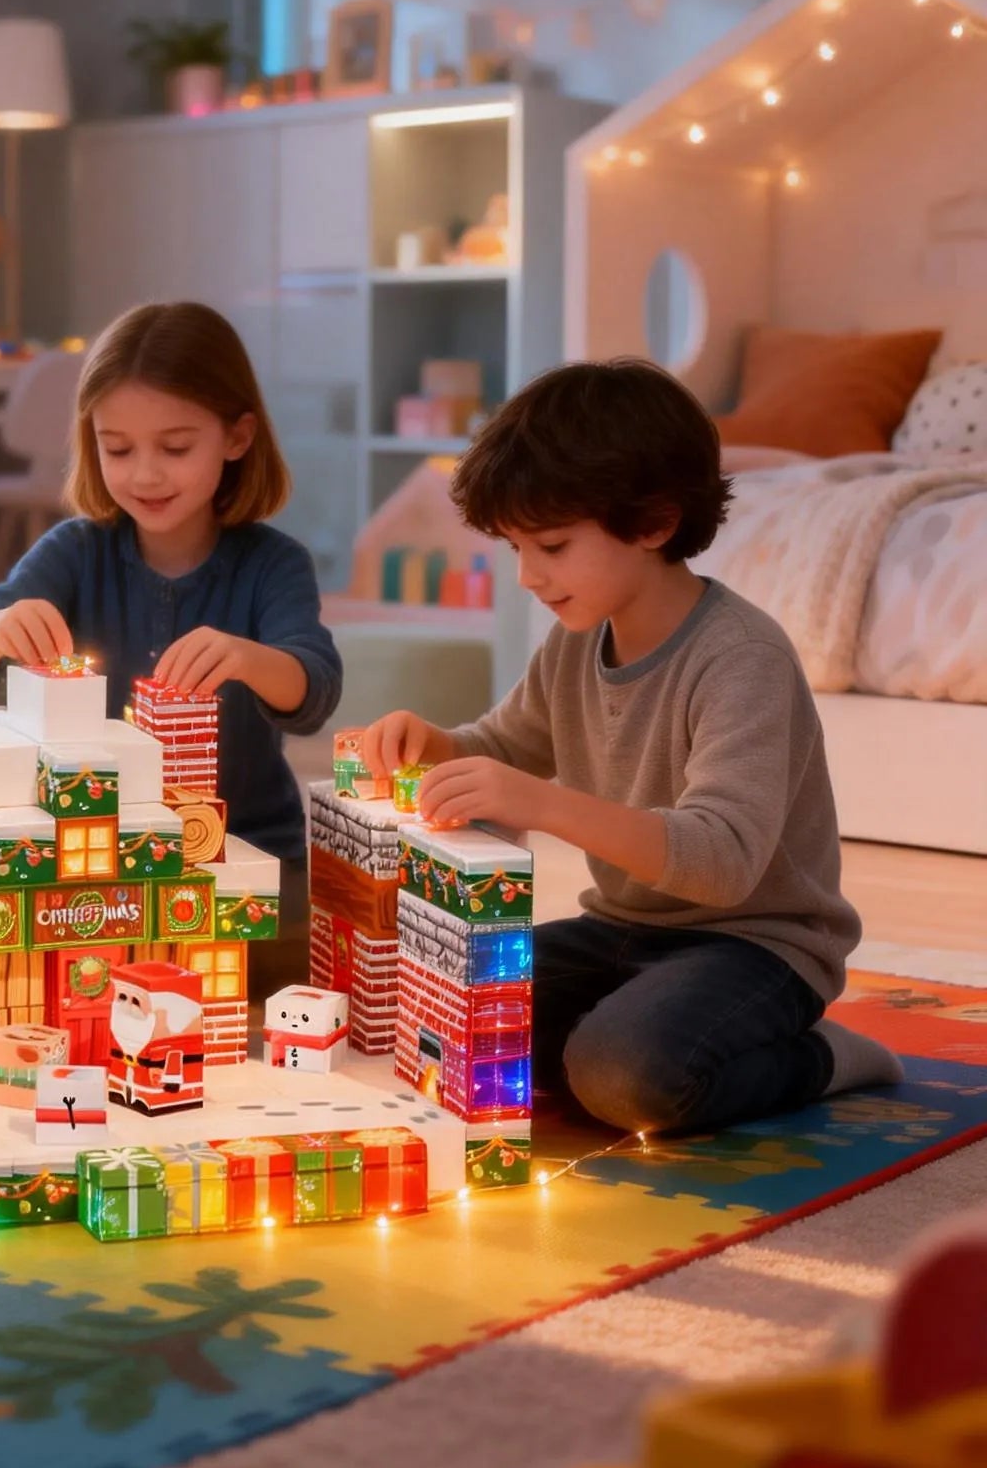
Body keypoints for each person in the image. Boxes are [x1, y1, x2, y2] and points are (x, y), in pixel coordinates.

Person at [357, 359, 899, 1136]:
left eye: (549, 545)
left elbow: (722, 859)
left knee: (626, 1075)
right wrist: (431, 745)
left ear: (653, 523)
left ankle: (820, 1057)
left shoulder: (742, 656)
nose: (527, 576)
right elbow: (504, 745)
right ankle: (627, 1039)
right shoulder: (576, 641)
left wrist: (540, 804)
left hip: (755, 946)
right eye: (514, 548)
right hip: (622, 929)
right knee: (447, 1016)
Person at [0, 302, 341, 995]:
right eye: (117, 448)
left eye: (175, 448)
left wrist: (246, 658)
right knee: (33, 960)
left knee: (293, 959)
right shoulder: (75, 551)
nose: (145, 474)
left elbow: (312, 687)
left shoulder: (274, 564)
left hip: (246, 848)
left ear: (238, 437)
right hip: (95, 860)